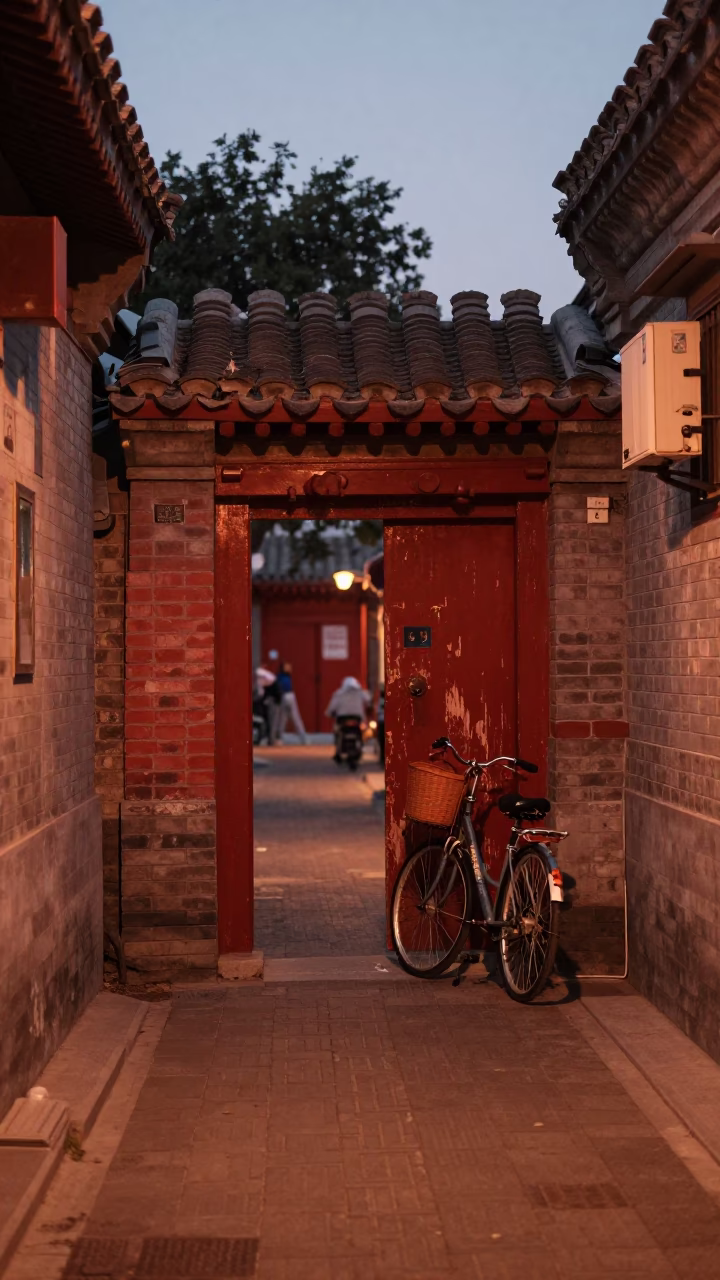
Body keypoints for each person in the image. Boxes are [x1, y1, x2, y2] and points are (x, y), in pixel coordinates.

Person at [325, 676, 372, 760]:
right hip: (357, 718)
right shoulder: (361, 692)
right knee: (363, 732)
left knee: (337, 731)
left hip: (342, 719)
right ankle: (361, 747)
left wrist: (329, 713)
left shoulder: (338, 693)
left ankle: (338, 751)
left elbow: (332, 707)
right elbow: (369, 702)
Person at [275, 661, 308, 744]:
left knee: (296, 718)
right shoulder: (279, 676)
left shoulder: (288, 676)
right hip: (283, 696)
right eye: (287, 666)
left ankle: (303, 738)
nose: (289, 668)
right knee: (282, 719)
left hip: (290, 695)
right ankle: (279, 739)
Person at [254, 664, 280, 744]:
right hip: (272, 698)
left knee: (273, 721)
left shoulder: (260, 676)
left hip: (274, 698)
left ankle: (271, 740)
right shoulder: (262, 676)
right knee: (271, 721)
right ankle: (271, 739)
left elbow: (262, 691)